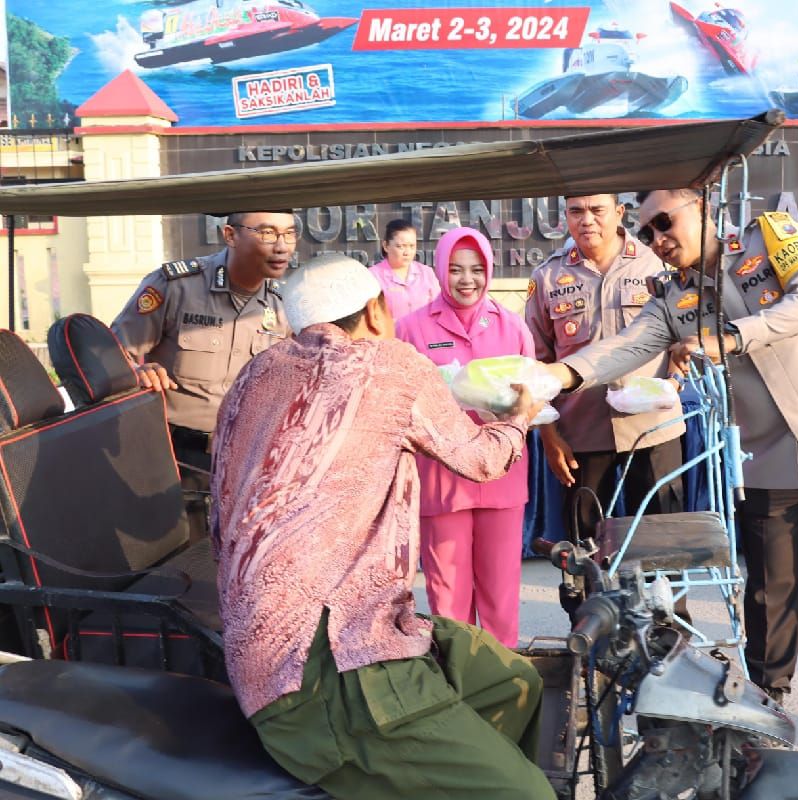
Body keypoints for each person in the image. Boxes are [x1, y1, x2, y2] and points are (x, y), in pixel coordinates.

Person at [545, 188, 798, 769]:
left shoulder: (774, 235)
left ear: (701, 208)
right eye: (648, 231)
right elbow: (624, 347)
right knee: (768, 597)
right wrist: (558, 374)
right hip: (764, 462)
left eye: (666, 222)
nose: (658, 239)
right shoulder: (671, 297)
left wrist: (730, 337)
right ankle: (765, 711)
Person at [210, 253, 554, 800]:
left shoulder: (256, 373)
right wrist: (520, 416)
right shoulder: (389, 363)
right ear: (375, 311)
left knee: (513, 679)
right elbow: (482, 460)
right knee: (529, 795)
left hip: (312, 632)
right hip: (320, 667)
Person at [111, 210, 294, 542]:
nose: (281, 246)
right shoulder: (176, 286)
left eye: (290, 234)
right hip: (173, 456)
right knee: (180, 563)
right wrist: (137, 370)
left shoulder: (283, 308)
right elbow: (115, 351)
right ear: (229, 235)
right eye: (267, 233)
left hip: (245, 460)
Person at [397, 228, 533, 648]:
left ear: (489, 271)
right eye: (455, 269)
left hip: (501, 475)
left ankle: (504, 681)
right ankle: (458, 680)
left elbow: (533, 397)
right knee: (448, 596)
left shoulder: (512, 327)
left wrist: (516, 409)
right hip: (442, 477)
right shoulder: (411, 328)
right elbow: (399, 399)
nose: (466, 279)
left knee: (500, 594)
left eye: (476, 269)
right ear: (439, 270)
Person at [525, 194, 685, 540]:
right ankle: (589, 598)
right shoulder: (548, 276)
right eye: (576, 212)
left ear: (618, 213)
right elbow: (537, 362)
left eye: (597, 210)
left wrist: (674, 382)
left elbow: (683, 340)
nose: (587, 221)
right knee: (582, 552)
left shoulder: (656, 266)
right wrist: (549, 438)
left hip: (653, 428)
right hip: (579, 434)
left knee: (662, 546)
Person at [368, 219, 438, 329]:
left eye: (412, 246)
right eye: (401, 246)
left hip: (424, 338)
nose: (407, 252)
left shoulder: (426, 273)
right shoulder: (373, 276)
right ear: (386, 246)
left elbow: (438, 310)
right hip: (391, 340)